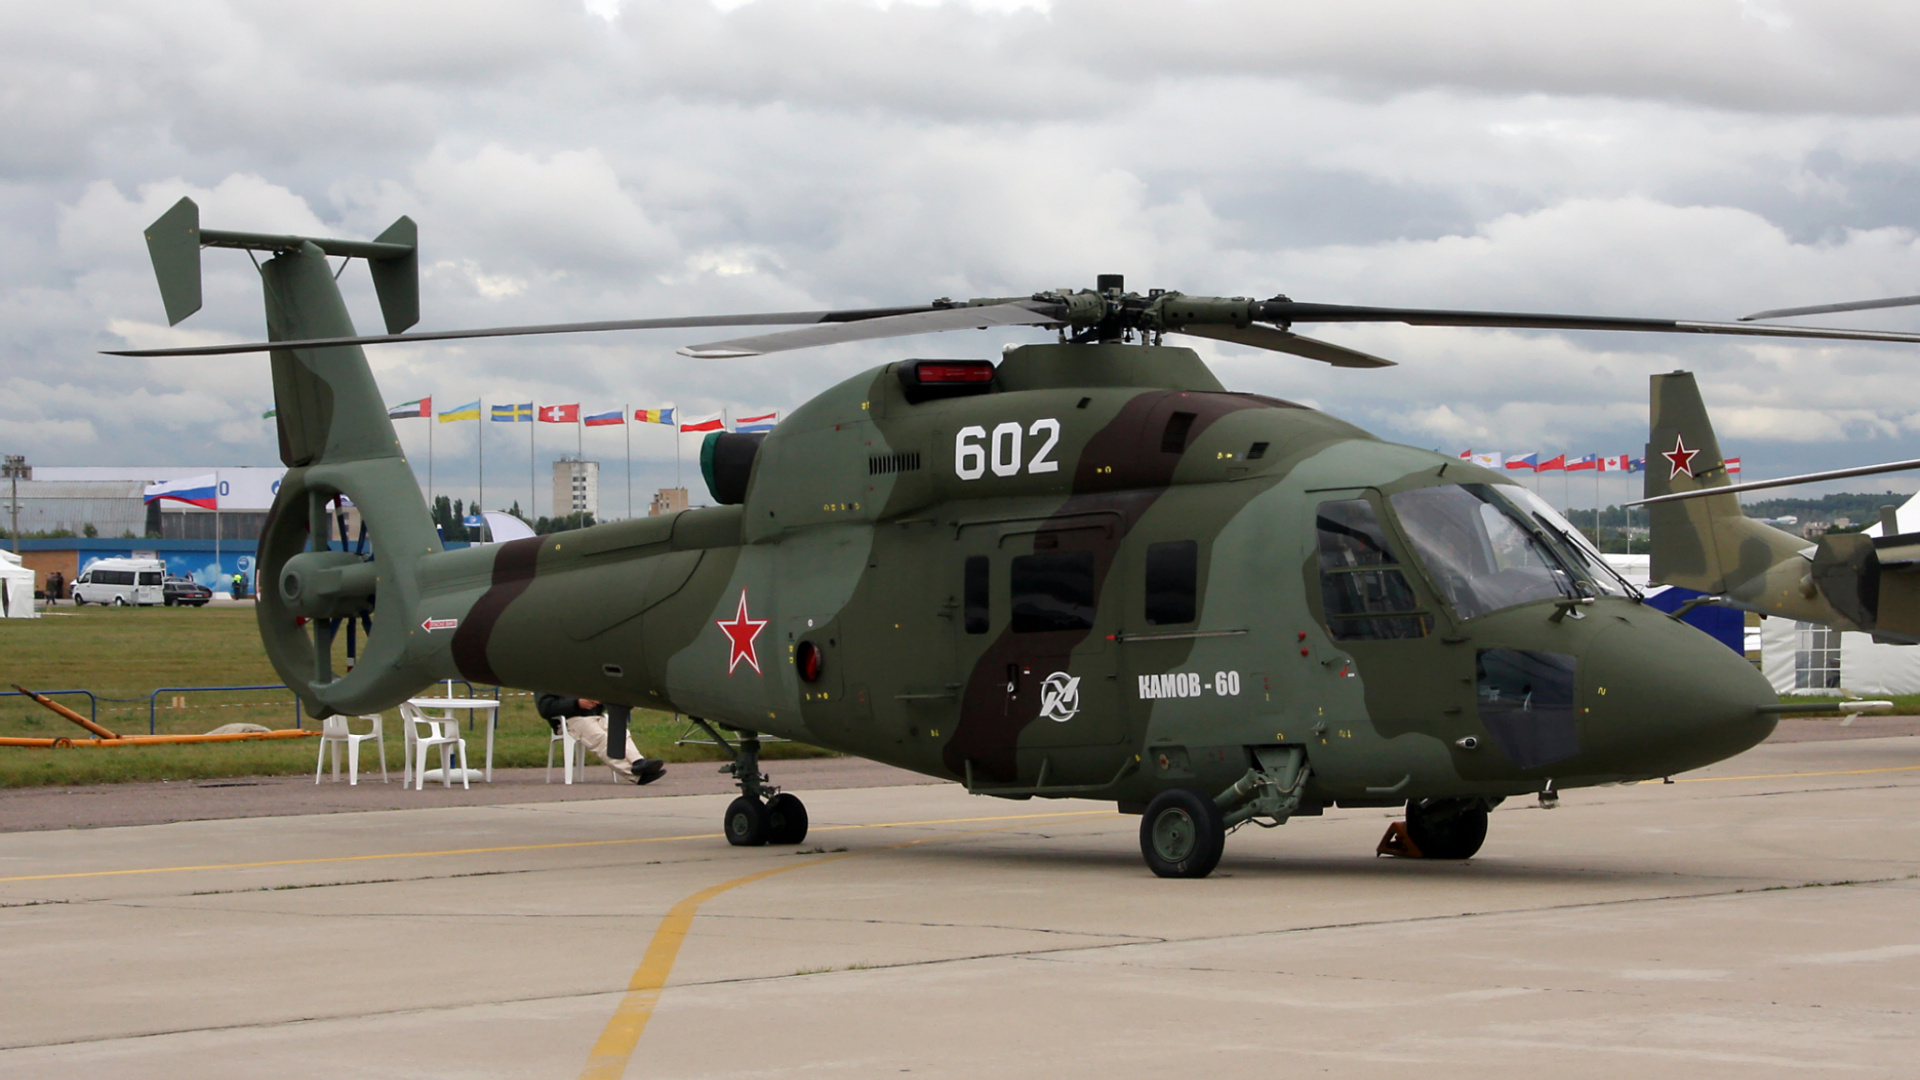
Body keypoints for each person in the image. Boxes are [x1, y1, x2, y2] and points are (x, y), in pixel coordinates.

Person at [535, 694, 666, 785]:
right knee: (600, 738)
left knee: (620, 732)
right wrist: (577, 703)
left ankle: (638, 761)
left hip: (595, 715)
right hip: (570, 720)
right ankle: (636, 775)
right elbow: (545, 708)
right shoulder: (547, 678)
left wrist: (599, 702)